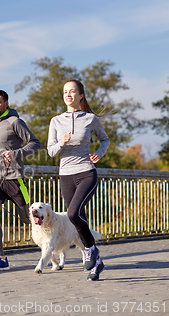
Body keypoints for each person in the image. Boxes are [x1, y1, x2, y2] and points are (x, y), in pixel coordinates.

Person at [47, 79, 110, 281]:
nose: (68, 94)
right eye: (65, 91)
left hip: (86, 172)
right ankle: (96, 263)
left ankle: (91, 250)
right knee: (76, 219)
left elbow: (104, 139)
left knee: (73, 214)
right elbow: (50, 152)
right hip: (66, 174)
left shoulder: (90, 119)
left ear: (80, 95)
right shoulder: (56, 121)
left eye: (72, 91)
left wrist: (99, 152)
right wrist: (61, 143)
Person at [0, 90, 41, 272]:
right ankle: (1, 258)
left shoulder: (16, 122)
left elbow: (35, 143)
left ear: (6, 103)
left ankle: (53, 244)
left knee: (30, 218)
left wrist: (16, 153)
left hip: (15, 179)